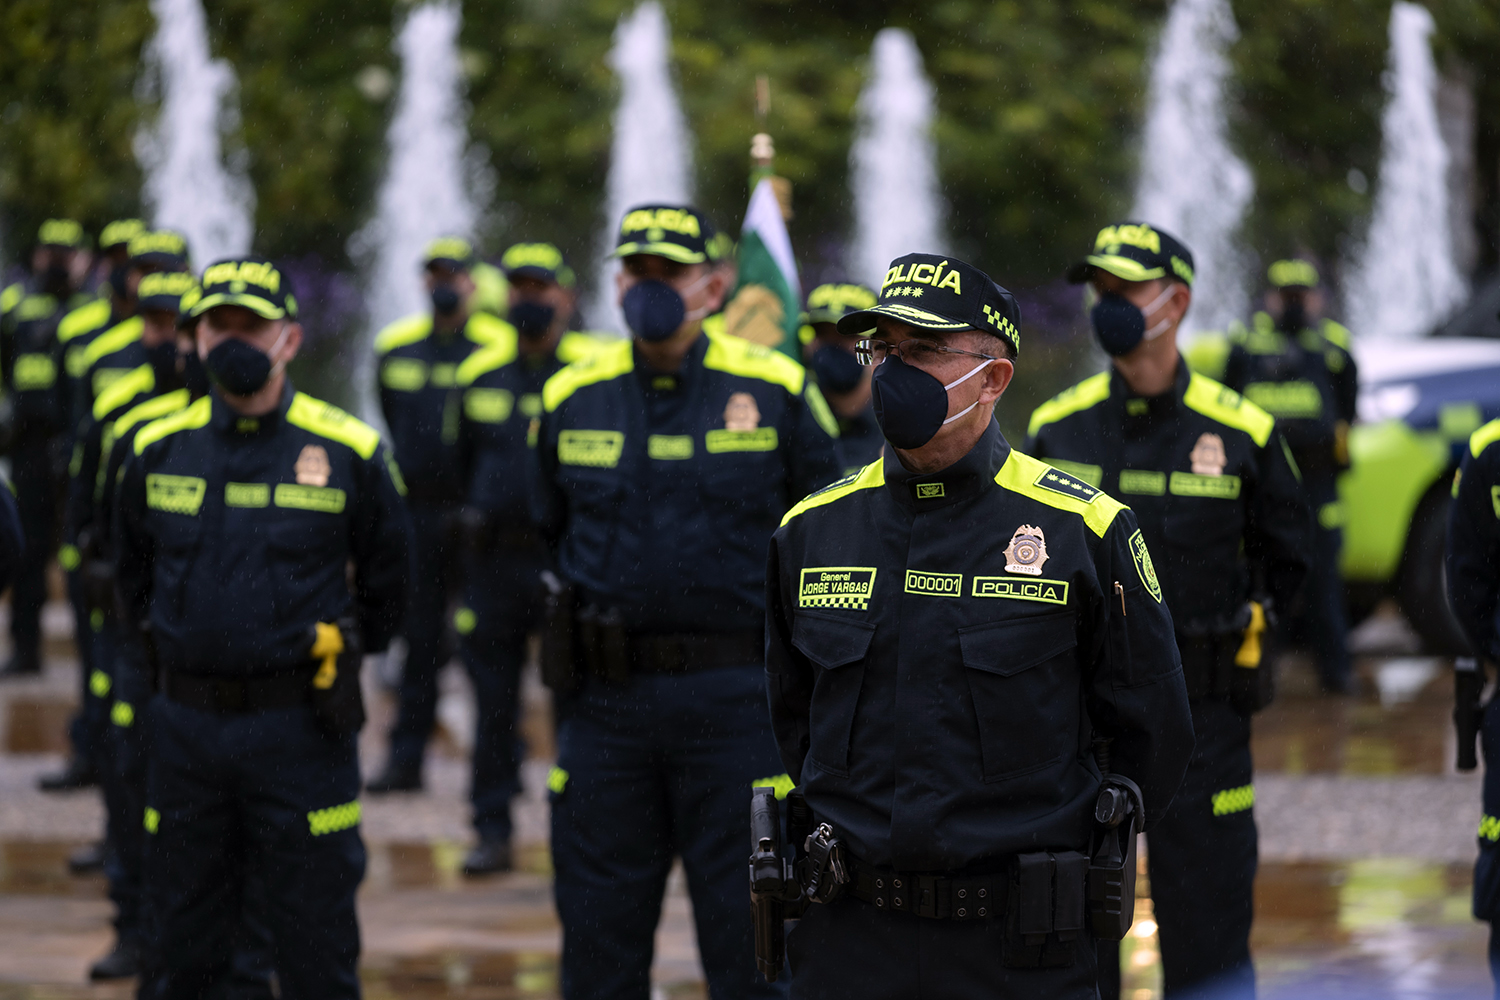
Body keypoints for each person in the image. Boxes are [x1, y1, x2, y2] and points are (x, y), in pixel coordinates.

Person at [766, 251, 1193, 998]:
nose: (893, 373)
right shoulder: (812, 530)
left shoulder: (1083, 531)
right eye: (885, 350)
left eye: (925, 351)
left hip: (1018, 950)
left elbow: (1152, 733)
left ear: (993, 378)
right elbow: (792, 717)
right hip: (850, 942)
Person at [534, 203, 841, 999]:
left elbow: (831, 544)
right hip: (606, 707)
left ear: (713, 285)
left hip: (739, 707)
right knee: (599, 946)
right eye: (637, 272)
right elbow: (543, 536)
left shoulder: (774, 389)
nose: (650, 287)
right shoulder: (571, 395)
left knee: (755, 947)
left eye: (669, 272)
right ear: (615, 282)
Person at [1028, 222, 1311, 999]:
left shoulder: (1243, 431)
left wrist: (1250, 643)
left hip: (1207, 716)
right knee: (1075, 934)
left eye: (1126, 290)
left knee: (1210, 933)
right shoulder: (1059, 427)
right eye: (1100, 290)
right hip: (1082, 724)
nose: (1107, 304)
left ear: (1176, 301)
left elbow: (1294, 564)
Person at [114, 256, 410, 998]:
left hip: (302, 731)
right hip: (186, 732)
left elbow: (390, 584)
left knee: (316, 948)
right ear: (195, 338)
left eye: (253, 325)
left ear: (289, 338)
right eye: (220, 325)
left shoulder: (350, 450)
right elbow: (128, 578)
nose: (235, 340)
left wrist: (333, 654)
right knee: (181, 948)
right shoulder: (151, 449)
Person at [450, 241, 600, 876]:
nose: (529, 300)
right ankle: (492, 828)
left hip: (559, 561)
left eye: (541, 289)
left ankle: (579, 828)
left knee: (575, 699)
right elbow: (457, 470)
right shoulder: (479, 375)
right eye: (519, 288)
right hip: (493, 567)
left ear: (565, 298)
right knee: (491, 704)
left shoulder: (587, 376)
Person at [66, 270, 199, 979]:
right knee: (128, 783)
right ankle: (133, 925)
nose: (165, 340)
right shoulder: (122, 417)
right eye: (154, 325)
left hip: (203, 655)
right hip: (133, 642)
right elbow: (85, 512)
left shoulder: (227, 420)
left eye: (177, 326)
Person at [367, 237, 514, 794]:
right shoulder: (395, 347)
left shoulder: (496, 347)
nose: (444, 284)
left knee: (487, 642)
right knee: (419, 638)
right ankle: (406, 758)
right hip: (418, 515)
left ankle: (501, 760)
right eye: (434, 274)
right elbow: (388, 412)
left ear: (473, 282)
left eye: (454, 274)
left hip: (479, 518)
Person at [1188, 259, 1358, 694]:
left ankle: (1336, 675)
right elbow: (1225, 407)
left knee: (1324, 582)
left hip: (1319, 486)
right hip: (1262, 486)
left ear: (1317, 297)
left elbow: (1348, 409)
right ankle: (1259, 673)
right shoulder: (1245, 346)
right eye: (1288, 296)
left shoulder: (1333, 347)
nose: (1295, 304)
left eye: (1302, 295)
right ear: (1270, 298)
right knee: (1261, 579)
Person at [0, 219, 93, 680]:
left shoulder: (92, 311)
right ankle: (25, 648)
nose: (56, 263)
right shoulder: (15, 306)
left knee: (81, 551)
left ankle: (89, 654)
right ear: (37, 256)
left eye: (65, 254)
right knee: (27, 550)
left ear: (81, 258)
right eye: (49, 254)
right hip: (28, 446)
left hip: (73, 443)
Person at [801, 282, 883, 476]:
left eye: (847, 335)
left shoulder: (901, 428)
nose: (833, 347)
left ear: (878, 346)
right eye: (822, 334)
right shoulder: (794, 421)